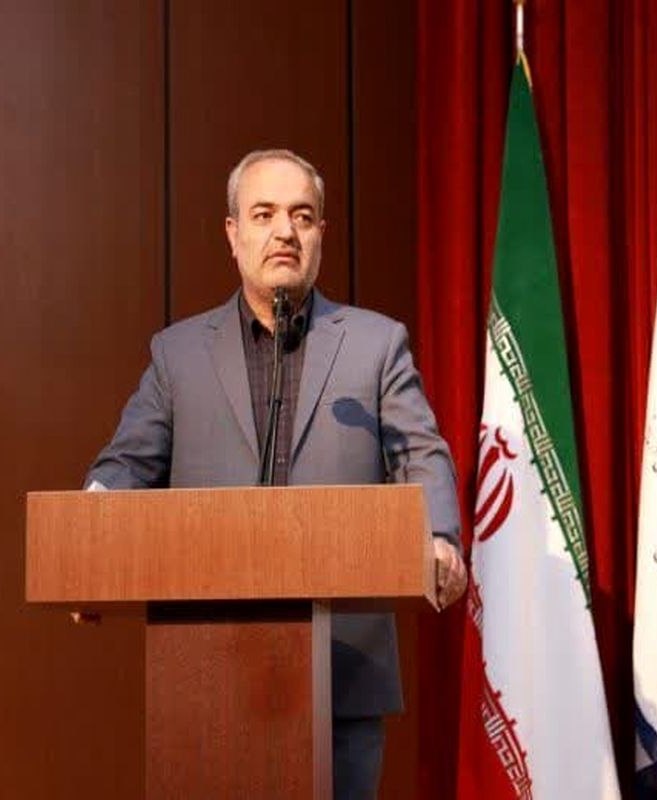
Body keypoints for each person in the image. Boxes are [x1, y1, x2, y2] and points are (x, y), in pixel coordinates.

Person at [85, 148, 466, 799]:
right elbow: (125, 465)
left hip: (342, 673)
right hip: (206, 676)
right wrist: (88, 541)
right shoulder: (178, 354)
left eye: (302, 216)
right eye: (264, 214)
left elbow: (419, 450)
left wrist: (439, 536)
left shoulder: (376, 345)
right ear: (233, 234)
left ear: (320, 235)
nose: (285, 231)